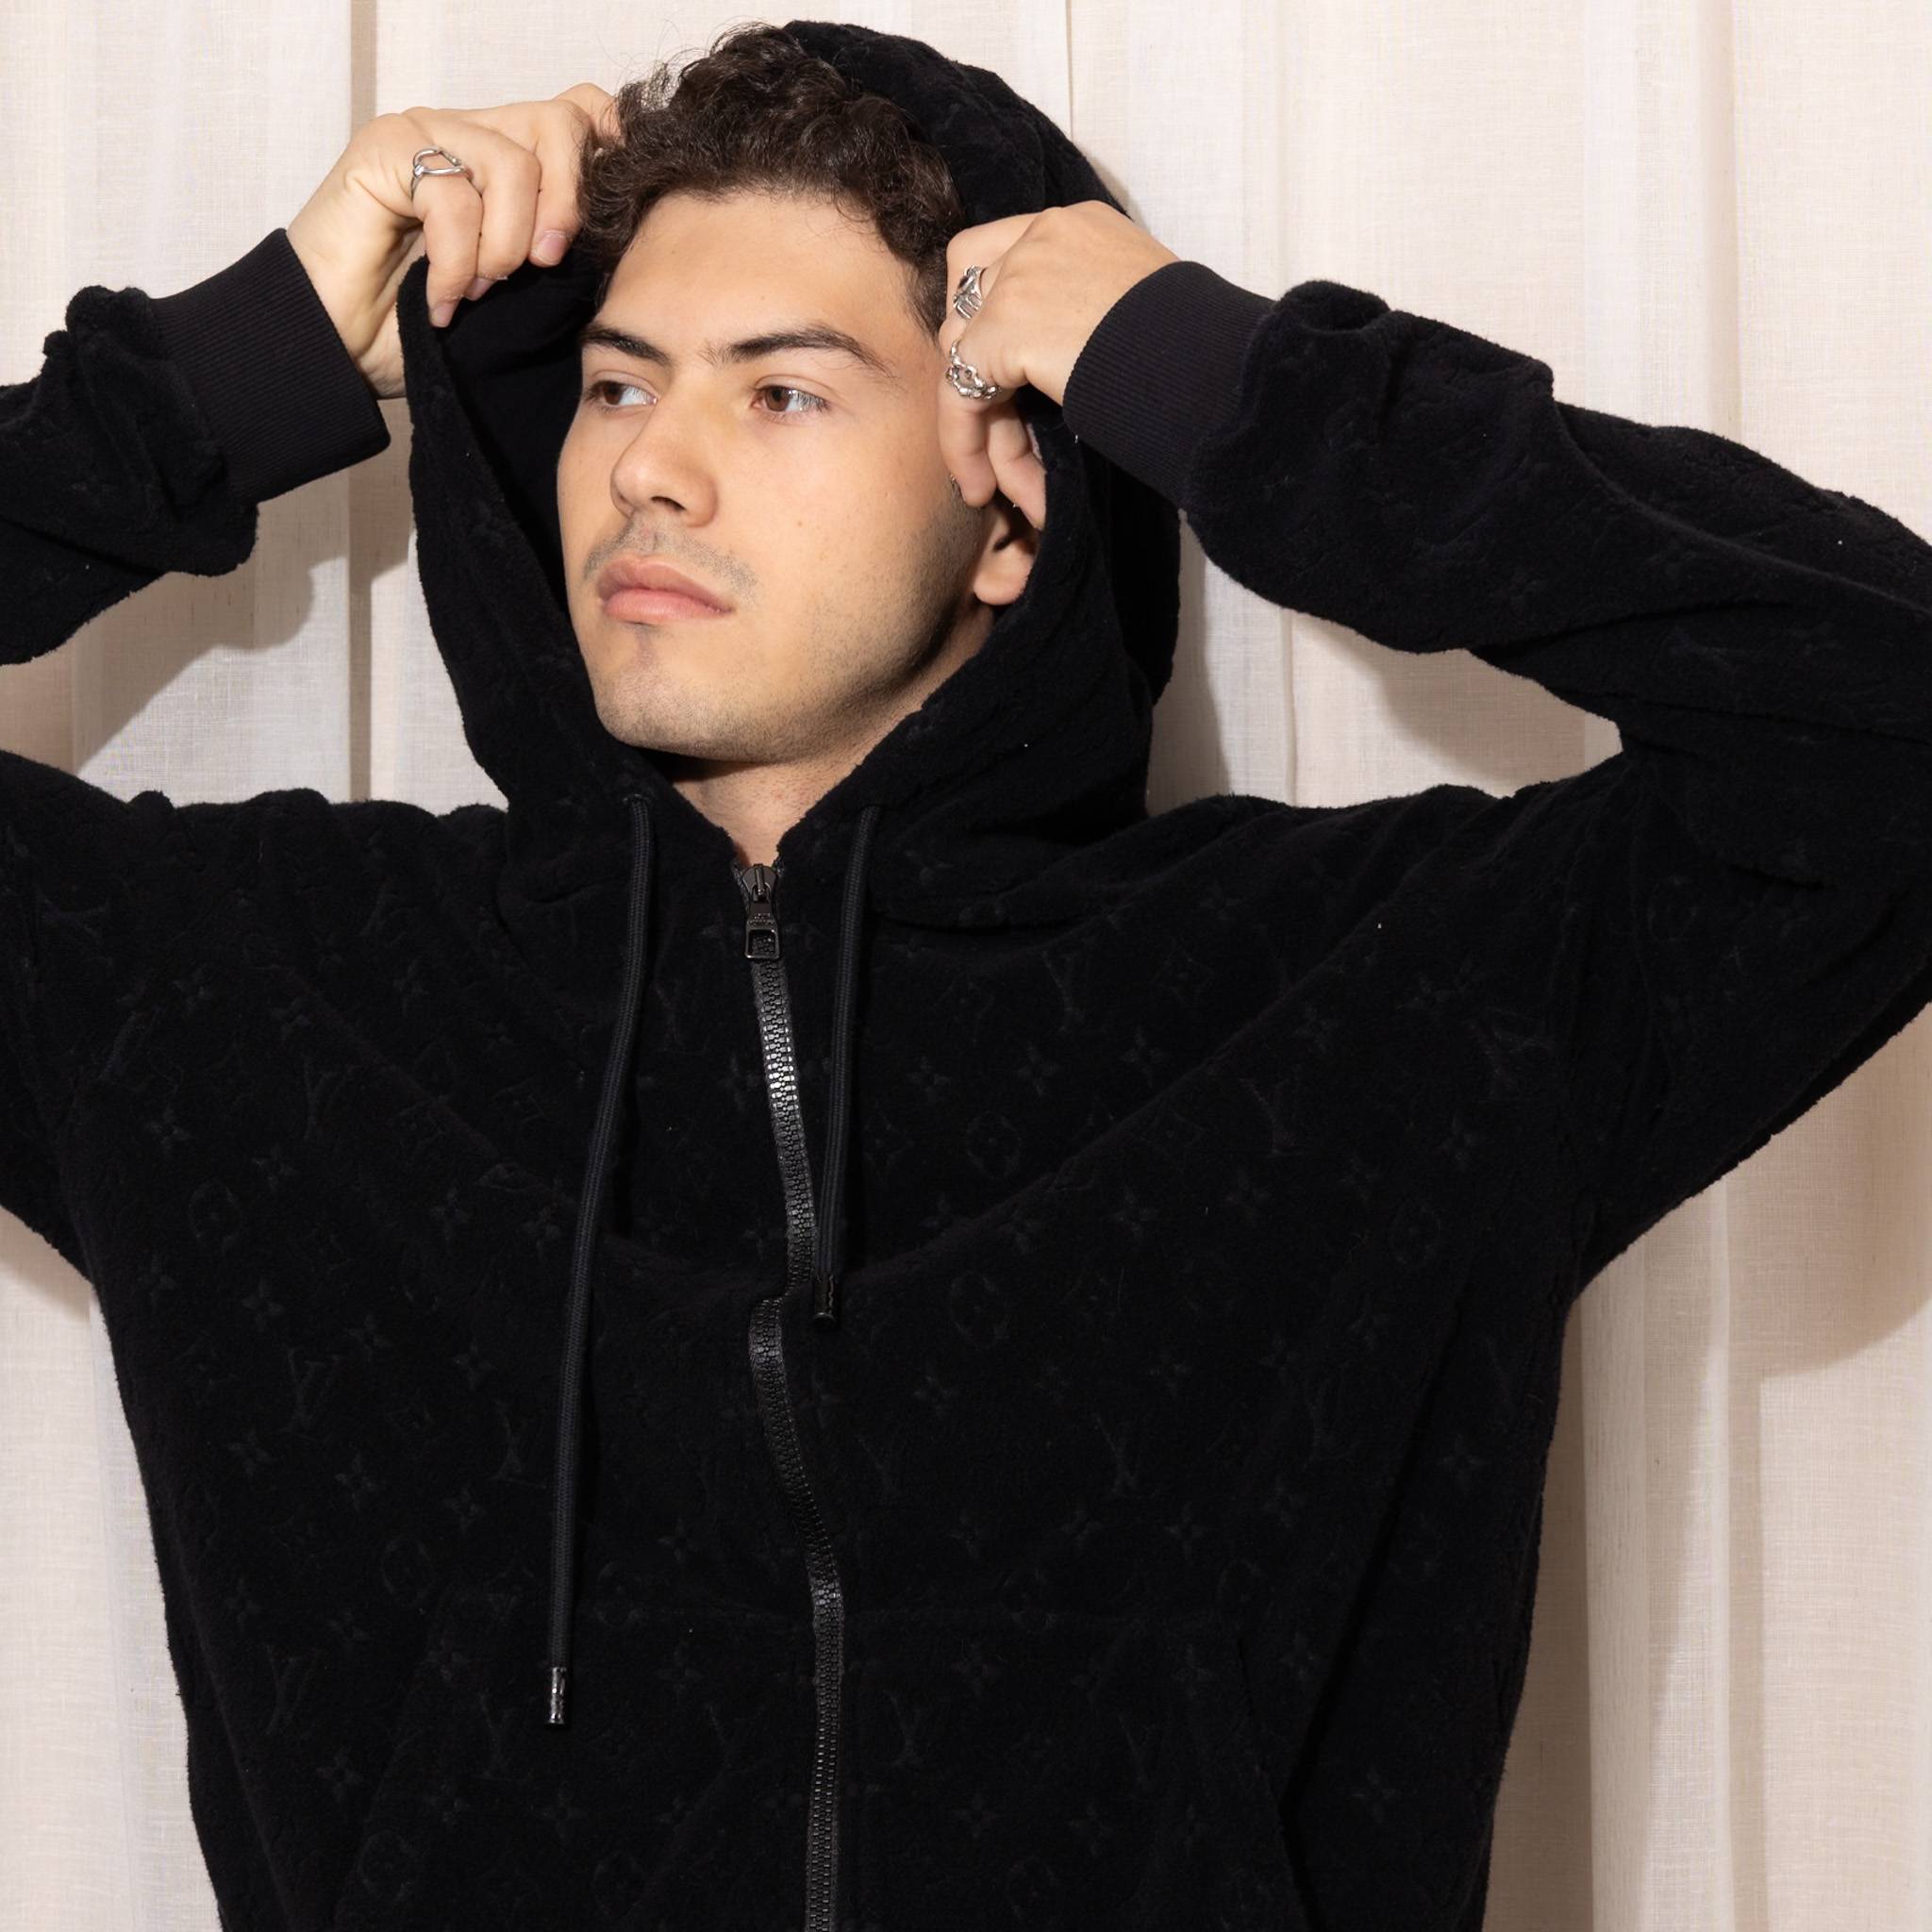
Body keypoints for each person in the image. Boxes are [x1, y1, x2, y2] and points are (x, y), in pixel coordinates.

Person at [4, 18, 1929, 1932]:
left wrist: (1226, 386)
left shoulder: (1377, 1003)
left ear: (1008, 502)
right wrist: (218, 376)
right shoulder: (244, 999)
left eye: (781, 393)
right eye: (611, 385)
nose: (650, 468)